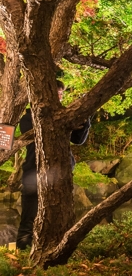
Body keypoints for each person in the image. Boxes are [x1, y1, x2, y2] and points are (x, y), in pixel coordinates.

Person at [17, 81, 91, 250]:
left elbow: (78, 140)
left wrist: (85, 119)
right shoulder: (29, 117)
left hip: (60, 175)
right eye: (56, 92)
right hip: (34, 173)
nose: (59, 96)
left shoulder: (64, 116)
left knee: (59, 220)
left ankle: (55, 253)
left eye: (61, 93)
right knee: (29, 219)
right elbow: (45, 131)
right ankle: (23, 254)